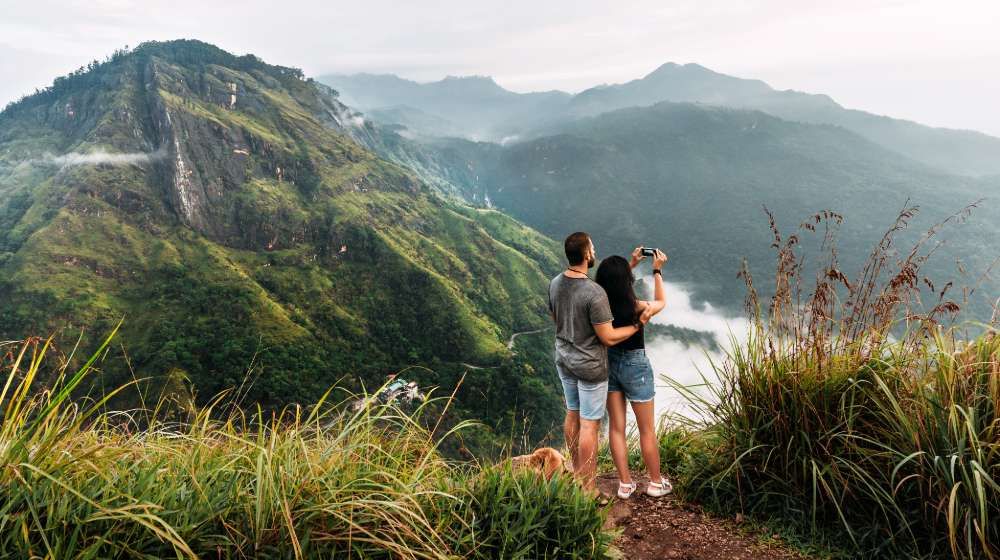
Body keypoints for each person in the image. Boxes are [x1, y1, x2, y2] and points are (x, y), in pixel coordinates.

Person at [548, 232, 651, 493]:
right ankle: (589, 488)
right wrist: (637, 324)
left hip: (564, 359)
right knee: (589, 423)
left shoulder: (555, 283)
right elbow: (609, 337)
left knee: (572, 413)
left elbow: (555, 318)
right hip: (590, 366)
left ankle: (576, 470)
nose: (594, 251)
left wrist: (631, 264)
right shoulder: (594, 293)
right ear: (586, 254)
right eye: (592, 247)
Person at [595, 247, 673, 499]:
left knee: (616, 428)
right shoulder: (637, 307)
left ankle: (625, 483)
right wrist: (657, 270)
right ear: (627, 282)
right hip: (635, 367)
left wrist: (631, 263)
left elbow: (615, 283)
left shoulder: (599, 306)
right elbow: (661, 302)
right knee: (646, 429)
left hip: (609, 364)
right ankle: (654, 483)